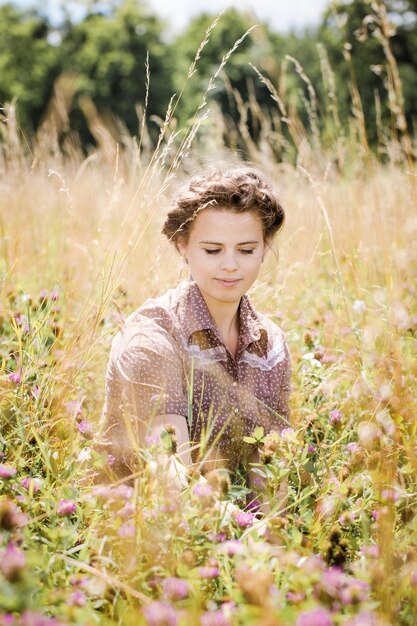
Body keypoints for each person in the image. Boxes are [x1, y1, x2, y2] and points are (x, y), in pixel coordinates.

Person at [100, 164, 291, 505]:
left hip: (237, 532)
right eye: (212, 250)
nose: (230, 265)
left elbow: (270, 473)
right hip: (136, 529)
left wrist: (273, 538)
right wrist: (247, 536)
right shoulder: (152, 338)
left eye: (246, 250)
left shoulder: (270, 344)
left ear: (265, 246)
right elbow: (169, 475)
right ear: (182, 246)